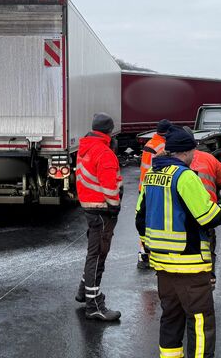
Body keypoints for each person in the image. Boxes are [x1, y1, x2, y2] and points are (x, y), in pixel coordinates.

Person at [135, 125, 221, 358]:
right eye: (193, 150)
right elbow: (208, 217)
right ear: (186, 151)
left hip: (162, 266)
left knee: (171, 320)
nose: (195, 155)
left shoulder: (151, 177)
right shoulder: (185, 176)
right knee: (200, 324)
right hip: (190, 265)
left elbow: (140, 218)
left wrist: (151, 247)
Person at [74, 112, 123, 321]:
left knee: (93, 252)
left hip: (90, 207)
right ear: (109, 131)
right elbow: (109, 185)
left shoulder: (85, 147)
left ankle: (84, 292)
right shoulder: (104, 152)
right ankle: (94, 305)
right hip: (103, 210)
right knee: (98, 256)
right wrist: (115, 206)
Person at [190, 148, 221, 287]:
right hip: (207, 210)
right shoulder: (209, 158)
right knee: (208, 244)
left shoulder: (174, 161)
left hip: (183, 213)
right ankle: (210, 277)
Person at [137, 119, 171, 269]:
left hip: (143, 188)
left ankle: (143, 253)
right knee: (155, 222)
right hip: (154, 187)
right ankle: (153, 254)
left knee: (144, 222)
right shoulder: (163, 146)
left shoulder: (150, 143)